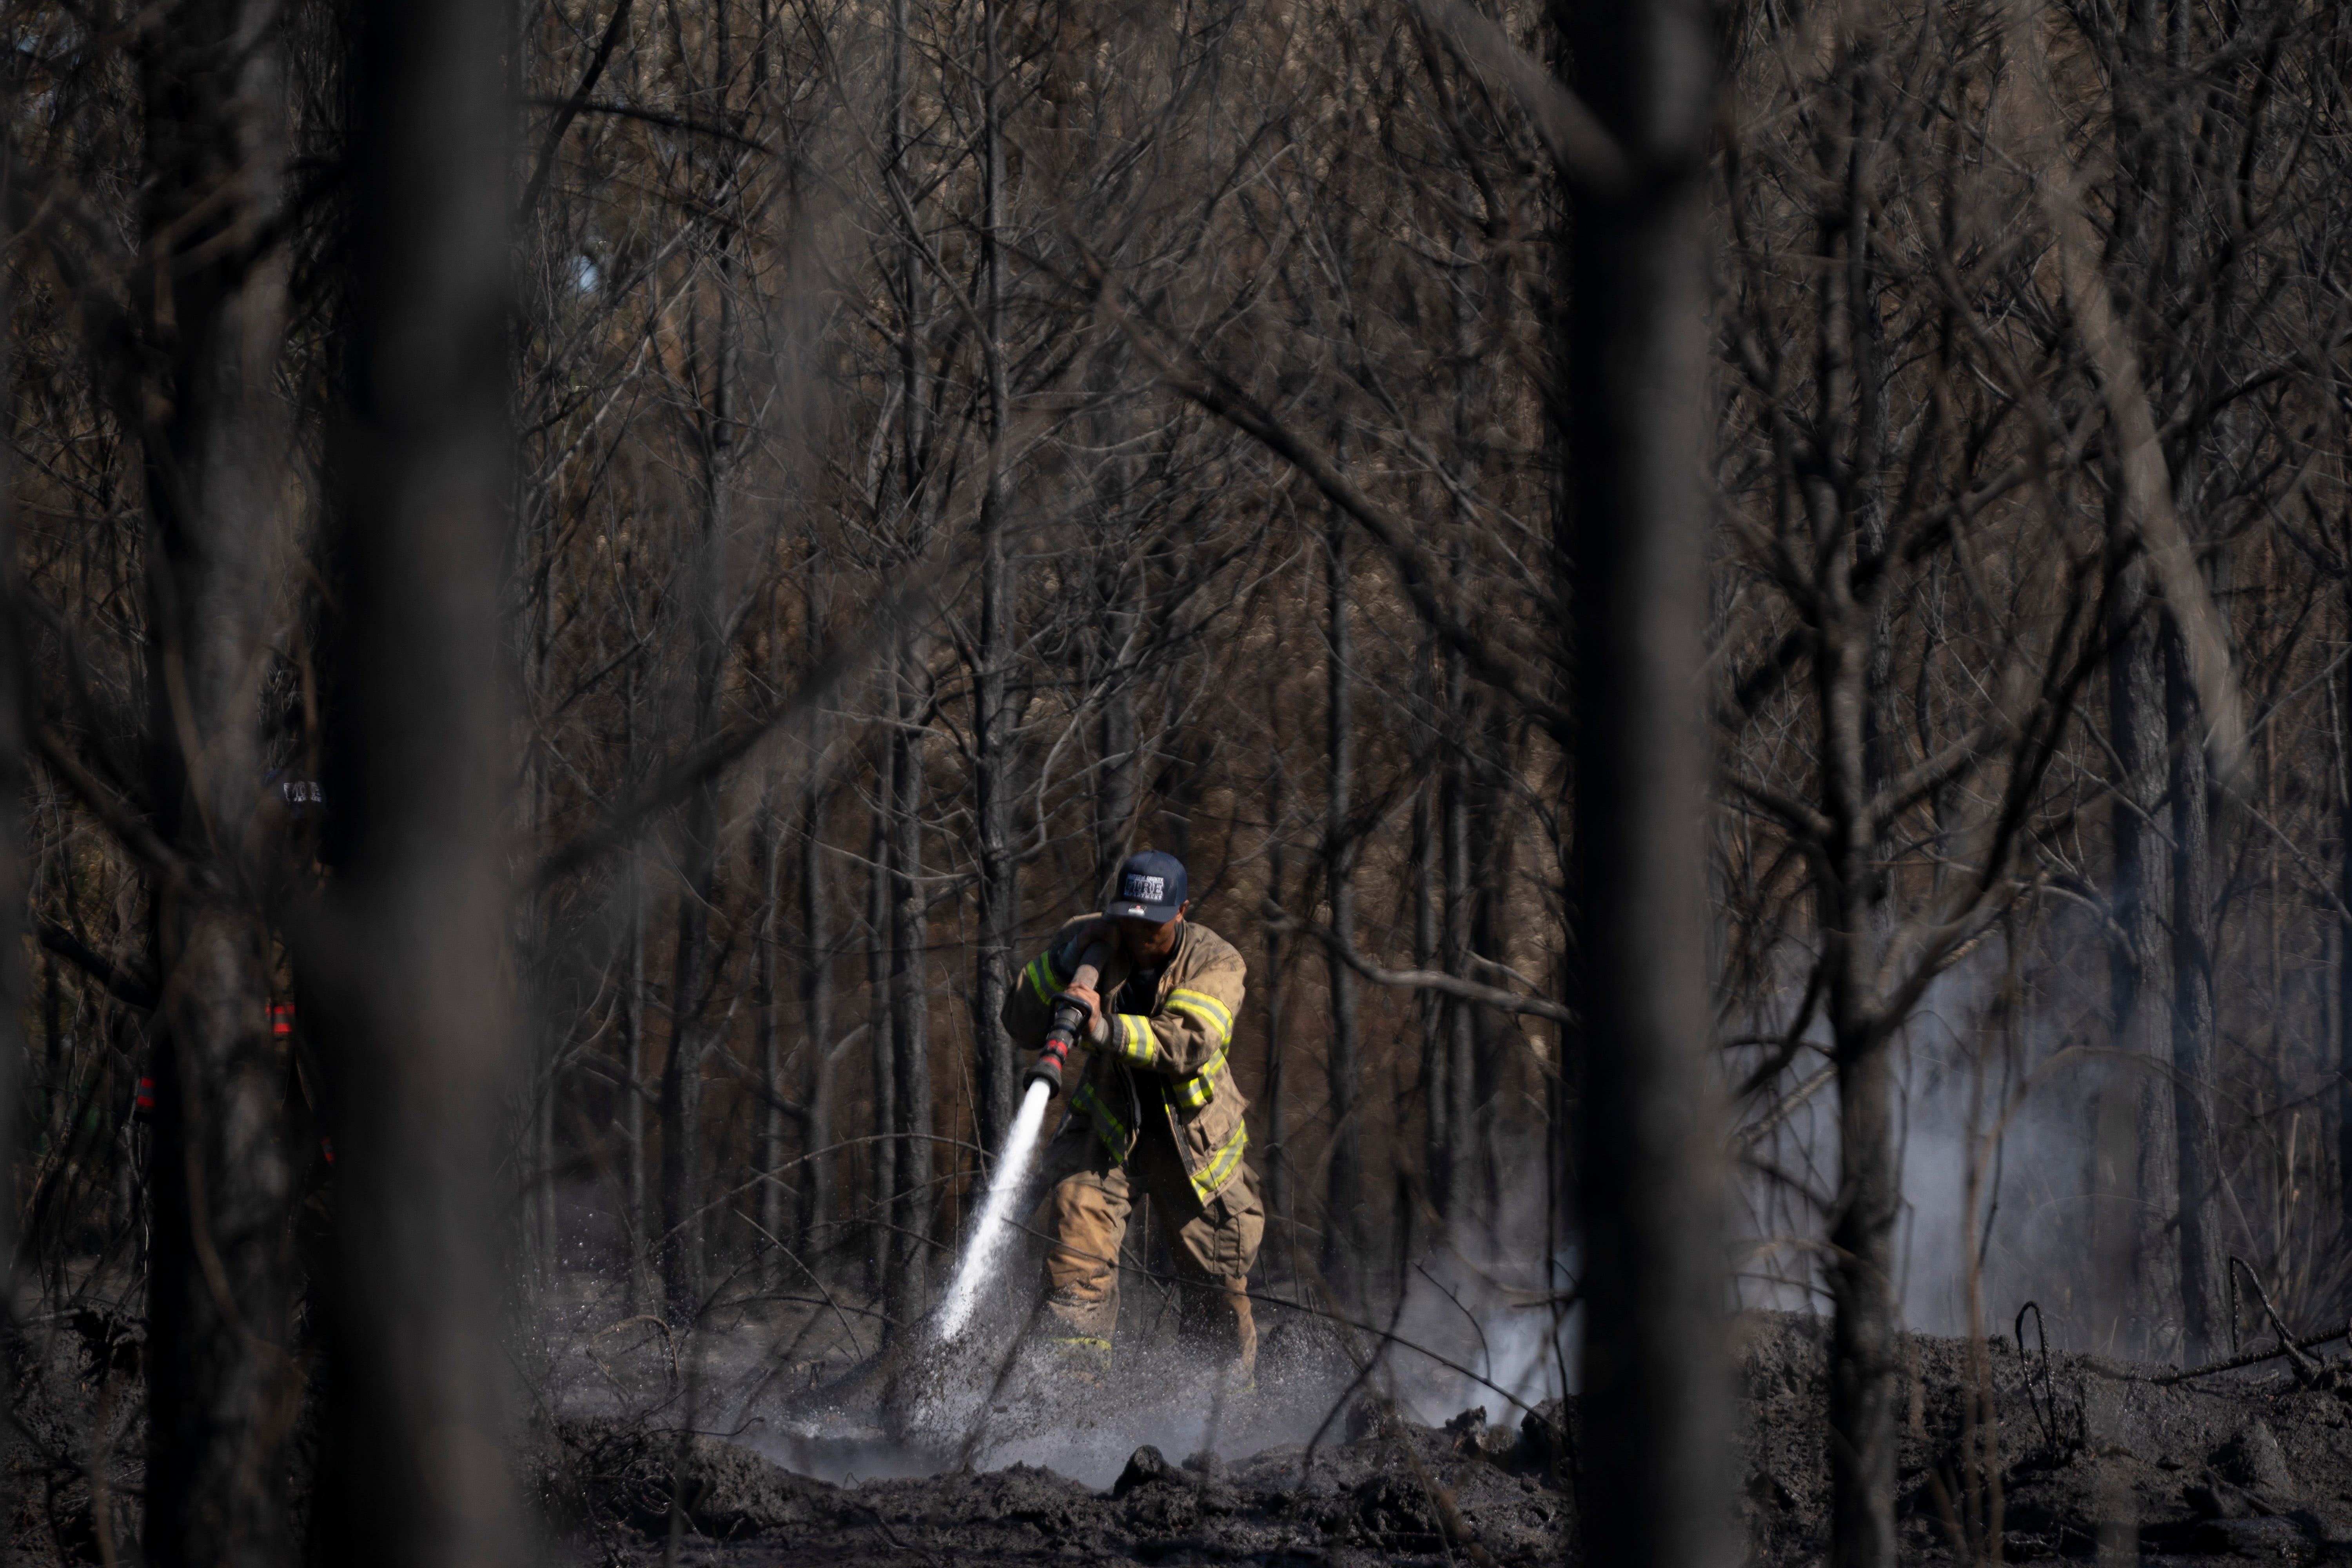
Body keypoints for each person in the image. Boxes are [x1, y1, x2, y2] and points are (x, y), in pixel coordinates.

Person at [1001, 850, 1263, 1384]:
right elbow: (1020, 1020)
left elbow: (1185, 1042)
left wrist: (1103, 1030)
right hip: (1107, 1129)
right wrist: (1070, 959)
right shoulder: (1090, 938)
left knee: (1217, 1294)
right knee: (1075, 1259)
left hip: (1194, 1148)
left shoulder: (1218, 961)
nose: (1139, 936)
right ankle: (1070, 1395)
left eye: (1153, 926)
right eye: (1129, 920)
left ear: (1182, 912)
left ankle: (1222, 1411)